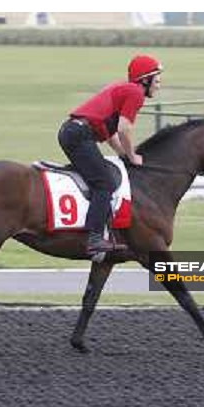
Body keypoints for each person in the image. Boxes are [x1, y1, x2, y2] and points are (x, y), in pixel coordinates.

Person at [58, 54, 163, 259]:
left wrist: (122, 154)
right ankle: (95, 239)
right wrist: (132, 156)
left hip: (73, 132)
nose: (158, 86)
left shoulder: (124, 89)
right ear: (145, 80)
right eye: (157, 80)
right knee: (103, 183)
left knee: (99, 177)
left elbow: (110, 133)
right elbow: (124, 129)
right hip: (79, 135)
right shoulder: (135, 93)